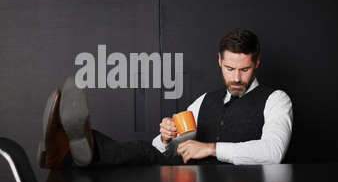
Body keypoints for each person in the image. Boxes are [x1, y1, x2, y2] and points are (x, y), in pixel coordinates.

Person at [44, 29, 293, 168]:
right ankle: (67, 148)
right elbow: (168, 149)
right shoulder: (205, 100)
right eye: (229, 69)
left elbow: (273, 152)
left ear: (257, 62)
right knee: (144, 150)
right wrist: (166, 138)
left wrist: (209, 149)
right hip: (188, 179)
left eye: (245, 69)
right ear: (219, 61)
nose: (236, 77)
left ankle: (63, 151)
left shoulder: (276, 100)